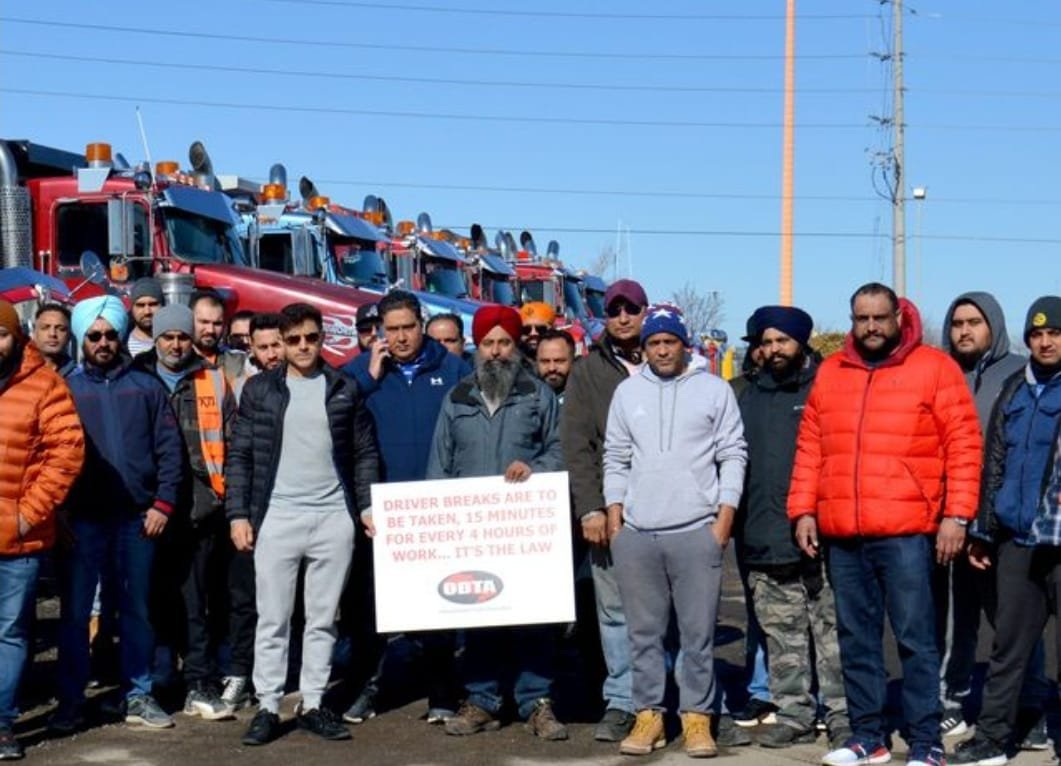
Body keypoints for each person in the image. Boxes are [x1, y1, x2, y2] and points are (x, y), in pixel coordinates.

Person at [787, 283, 982, 766]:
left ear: (899, 315)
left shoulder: (935, 368)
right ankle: (867, 737)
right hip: (844, 533)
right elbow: (811, 445)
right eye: (861, 318)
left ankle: (925, 741)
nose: (871, 327)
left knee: (916, 640)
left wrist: (957, 515)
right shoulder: (832, 372)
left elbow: (964, 445)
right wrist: (803, 508)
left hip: (908, 532)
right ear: (852, 320)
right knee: (855, 638)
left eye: (879, 317)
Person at [227, 302, 379, 746]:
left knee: (323, 619)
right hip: (277, 516)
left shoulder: (344, 387)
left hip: (333, 518)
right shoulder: (259, 390)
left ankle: (313, 703)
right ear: (283, 343)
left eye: (311, 337)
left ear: (321, 338)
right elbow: (241, 455)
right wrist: (238, 514)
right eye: (293, 340)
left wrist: (365, 507)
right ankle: (269, 705)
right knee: (273, 617)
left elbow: (365, 452)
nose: (303, 346)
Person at [602, 304, 747, 758]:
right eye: (654, 343)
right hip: (638, 533)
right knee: (643, 633)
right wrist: (614, 516)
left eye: (670, 342)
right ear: (643, 348)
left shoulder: (714, 390)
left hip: (696, 530)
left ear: (685, 345)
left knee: (698, 632)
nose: (662, 350)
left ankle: (697, 716)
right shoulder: (627, 392)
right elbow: (616, 457)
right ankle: (650, 715)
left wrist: (723, 519)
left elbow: (733, 454)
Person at [427, 305, 568, 740]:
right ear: (476, 346)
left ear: (515, 345)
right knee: (480, 618)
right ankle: (482, 701)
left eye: (503, 341)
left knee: (533, 619)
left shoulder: (537, 395)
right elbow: (440, 465)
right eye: (487, 343)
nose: (495, 351)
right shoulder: (457, 398)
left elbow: (559, 450)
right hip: (474, 531)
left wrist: (535, 469)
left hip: (525, 530)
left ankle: (537, 703)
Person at [53, 295, 184, 732]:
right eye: (94, 335)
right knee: (74, 614)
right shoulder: (66, 390)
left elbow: (170, 450)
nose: (104, 342)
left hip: (136, 519)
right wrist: (60, 513)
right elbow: (50, 455)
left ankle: (138, 694)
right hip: (82, 522)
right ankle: (71, 701)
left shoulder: (146, 387)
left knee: (136, 610)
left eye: (111, 334)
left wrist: (162, 504)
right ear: (82, 338)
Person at [340, 290, 471, 725]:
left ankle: (441, 694)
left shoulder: (452, 368)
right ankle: (367, 689)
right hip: (379, 508)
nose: (399, 338)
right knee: (370, 608)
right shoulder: (364, 371)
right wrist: (366, 374)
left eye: (407, 328)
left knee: (437, 605)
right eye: (390, 330)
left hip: (435, 508)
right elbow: (333, 408)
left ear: (422, 325)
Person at [951, 296, 1061, 766]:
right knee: (1006, 650)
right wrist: (983, 528)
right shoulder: (1017, 388)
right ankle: (993, 739)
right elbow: (994, 461)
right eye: (1036, 334)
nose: (1044, 341)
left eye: (1054, 333)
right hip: (1019, 539)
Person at [735, 306, 850, 750]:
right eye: (766, 341)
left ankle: (841, 713)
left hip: (824, 537)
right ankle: (794, 712)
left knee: (832, 635)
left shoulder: (829, 387)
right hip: (764, 536)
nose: (773, 349)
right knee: (782, 638)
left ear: (802, 342)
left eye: (782, 340)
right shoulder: (745, 395)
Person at [133, 304, 238, 721]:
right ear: (155, 339)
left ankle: (199, 681)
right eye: (167, 337)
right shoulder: (137, 376)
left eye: (181, 336)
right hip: (149, 507)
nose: (175, 345)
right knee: (153, 599)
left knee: (196, 601)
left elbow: (231, 438)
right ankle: (160, 680)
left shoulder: (213, 377)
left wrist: (225, 497)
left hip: (200, 505)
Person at [936, 292, 1029, 740]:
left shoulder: (1020, 373)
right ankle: (950, 700)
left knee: (1013, 621)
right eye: (957, 323)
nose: (964, 331)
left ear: (993, 325)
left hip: (1003, 522)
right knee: (952, 619)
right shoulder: (941, 371)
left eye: (974, 322)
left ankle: (1028, 705)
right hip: (947, 520)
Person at [561, 278, 648, 742]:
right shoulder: (588, 371)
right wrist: (590, 507)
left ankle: (665, 699)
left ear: (644, 311)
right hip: (610, 513)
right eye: (613, 309)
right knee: (613, 612)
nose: (621, 317)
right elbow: (576, 444)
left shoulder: (671, 360)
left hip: (666, 512)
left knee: (664, 612)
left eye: (630, 308)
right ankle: (621, 700)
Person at [0, 300, 84, 761]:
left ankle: (2, 724)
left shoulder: (44, 385)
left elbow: (66, 453)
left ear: (17, 337)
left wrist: (26, 515)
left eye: (2, 334)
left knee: (10, 631)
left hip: (19, 538)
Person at [189, 290, 246, 388]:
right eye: (204, 322)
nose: (210, 330)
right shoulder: (177, 361)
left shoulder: (238, 363)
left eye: (217, 324)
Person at [31, 303, 76, 376]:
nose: (52, 334)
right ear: (34, 331)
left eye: (61, 329)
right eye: (45, 327)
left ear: (69, 335)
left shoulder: (79, 376)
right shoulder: (17, 372)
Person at [126, 277, 163, 358]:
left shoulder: (176, 343)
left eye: (153, 304)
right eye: (140, 305)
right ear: (132, 308)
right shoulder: (120, 344)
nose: (147, 311)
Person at [535, 329, 575, 401]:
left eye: (559, 361)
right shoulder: (523, 398)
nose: (552, 368)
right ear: (536, 361)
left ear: (572, 361)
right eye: (545, 361)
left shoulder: (586, 398)